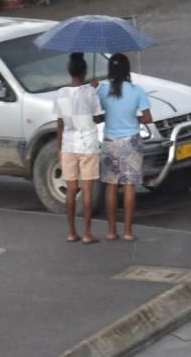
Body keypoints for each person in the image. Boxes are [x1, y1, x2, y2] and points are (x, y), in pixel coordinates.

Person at [97, 53, 154, 242]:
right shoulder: (137, 90)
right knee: (129, 186)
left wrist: (94, 86)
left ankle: (112, 231)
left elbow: (98, 112)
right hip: (131, 141)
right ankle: (128, 232)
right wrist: (135, 119)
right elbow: (147, 118)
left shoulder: (103, 90)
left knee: (111, 186)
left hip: (111, 142)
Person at [52, 54, 104, 243]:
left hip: (68, 145)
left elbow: (59, 123)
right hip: (87, 144)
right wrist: (95, 89)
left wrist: (60, 148)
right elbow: (98, 118)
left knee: (71, 190)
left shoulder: (60, 93)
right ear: (84, 72)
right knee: (88, 191)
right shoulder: (90, 92)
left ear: (70, 71)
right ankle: (88, 233)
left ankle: (71, 232)